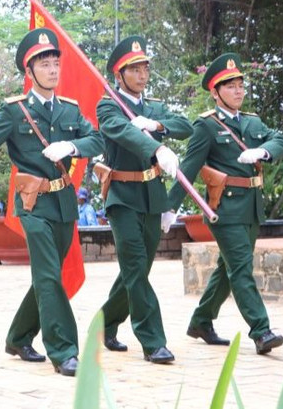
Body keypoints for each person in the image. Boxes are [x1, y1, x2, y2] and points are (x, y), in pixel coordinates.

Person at [0, 28, 104, 376]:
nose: (53, 69)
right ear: (30, 71)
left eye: (56, 63)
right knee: (47, 275)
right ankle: (64, 350)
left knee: (49, 274)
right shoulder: (16, 111)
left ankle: (18, 336)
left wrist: (73, 148)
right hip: (32, 204)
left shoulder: (70, 111)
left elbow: (96, 139)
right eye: (45, 64)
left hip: (63, 202)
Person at [163, 53, 283, 355]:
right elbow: (189, 167)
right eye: (230, 86)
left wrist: (263, 152)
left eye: (240, 85)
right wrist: (170, 206)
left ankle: (201, 321)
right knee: (241, 269)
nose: (238, 91)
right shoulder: (206, 126)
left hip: (252, 207)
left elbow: (281, 140)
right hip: (225, 209)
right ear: (215, 92)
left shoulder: (253, 122)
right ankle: (261, 331)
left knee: (228, 267)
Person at [96, 36, 193, 364]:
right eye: (133, 69)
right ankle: (153, 341)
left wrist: (156, 124)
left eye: (145, 68)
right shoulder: (108, 105)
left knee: (134, 272)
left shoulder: (153, 106)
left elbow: (186, 127)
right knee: (136, 268)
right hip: (122, 197)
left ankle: (105, 323)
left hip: (152, 197)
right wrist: (155, 147)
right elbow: (120, 132)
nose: (142, 74)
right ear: (119, 75)